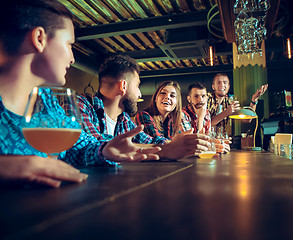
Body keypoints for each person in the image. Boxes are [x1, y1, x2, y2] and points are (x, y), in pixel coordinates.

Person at [0, 0, 161, 188]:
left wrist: (105, 150)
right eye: (69, 44)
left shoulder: (47, 102)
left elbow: (78, 147)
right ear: (39, 39)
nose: (72, 57)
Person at [77, 56, 210, 160]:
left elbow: (151, 141)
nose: (139, 94)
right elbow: (95, 146)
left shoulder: (124, 119)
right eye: (137, 85)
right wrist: (167, 149)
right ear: (123, 86)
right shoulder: (81, 105)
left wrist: (188, 145)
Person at [183, 83, 230, 153]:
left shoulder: (207, 113)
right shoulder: (183, 114)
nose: (200, 100)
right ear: (189, 99)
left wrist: (218, 143)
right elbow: (191, 144)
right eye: (196, 96)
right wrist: (200, 118)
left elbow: (207, 139)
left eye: (203, 96)